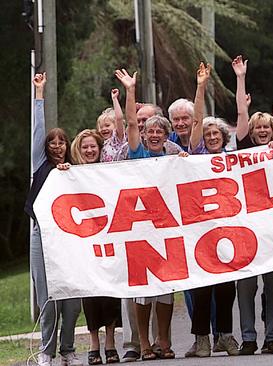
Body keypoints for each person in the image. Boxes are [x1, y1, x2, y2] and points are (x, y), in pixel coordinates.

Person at [115, 68, 179, 360]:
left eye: (159, 131)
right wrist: (130, 90)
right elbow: (129, 121)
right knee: (143, 292)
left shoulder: (174, 158)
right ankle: (144, 344)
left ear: (166, 136)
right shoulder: (137, 152)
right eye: (149, 131)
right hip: (140, 231)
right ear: (143, 134)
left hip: (167, 231)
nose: (153, 135)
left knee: (166, 290)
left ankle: (163, 341)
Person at [182, 63, 240, 358]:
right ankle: (201, 338)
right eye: (208, 135)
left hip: (228, 229)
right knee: (202, 286)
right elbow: (196, 123)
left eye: (217, 134)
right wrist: (201, 86)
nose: (212, 137)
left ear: (223, 137)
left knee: (226, 287)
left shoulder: (234, 159)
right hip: (201, 229)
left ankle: (226, 336)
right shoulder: (197, 155)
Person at [25, 72, 83, 366]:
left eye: (62, 142)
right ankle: (46, 352)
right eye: (53, 142)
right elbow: (37, 131)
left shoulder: (76, 171)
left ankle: (68, 349)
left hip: (70, 241)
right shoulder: (41, 166)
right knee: (48, 301)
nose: (57, 146)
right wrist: (39, 94)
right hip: (42, 238)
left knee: (72, 303)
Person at [232, 55, 273, 355]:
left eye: (267, 127)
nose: (262, 131)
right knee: (246, 286)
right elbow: (241, 112)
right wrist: (241, 77)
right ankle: (249, 337)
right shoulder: (243, 149)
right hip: (246, 228)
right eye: (258, 127)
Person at [63, 129, 123, 364]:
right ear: (80, 149)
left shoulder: (111, 172)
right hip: (84, 240)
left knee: (110, 290)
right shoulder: (72, 174)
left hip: (110, 237)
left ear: (100, 149)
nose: (89, 151)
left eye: (93, 147)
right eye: (85, 147)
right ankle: (93, 342)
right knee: (90, 291)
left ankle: (110, 341)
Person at [97, 88, 127, 162]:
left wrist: (114, 99)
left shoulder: (117, 138)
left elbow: (119, 118)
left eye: (107, 125)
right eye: (101, 127)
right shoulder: (102, 144)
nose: (103, 129)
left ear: (116, 126)